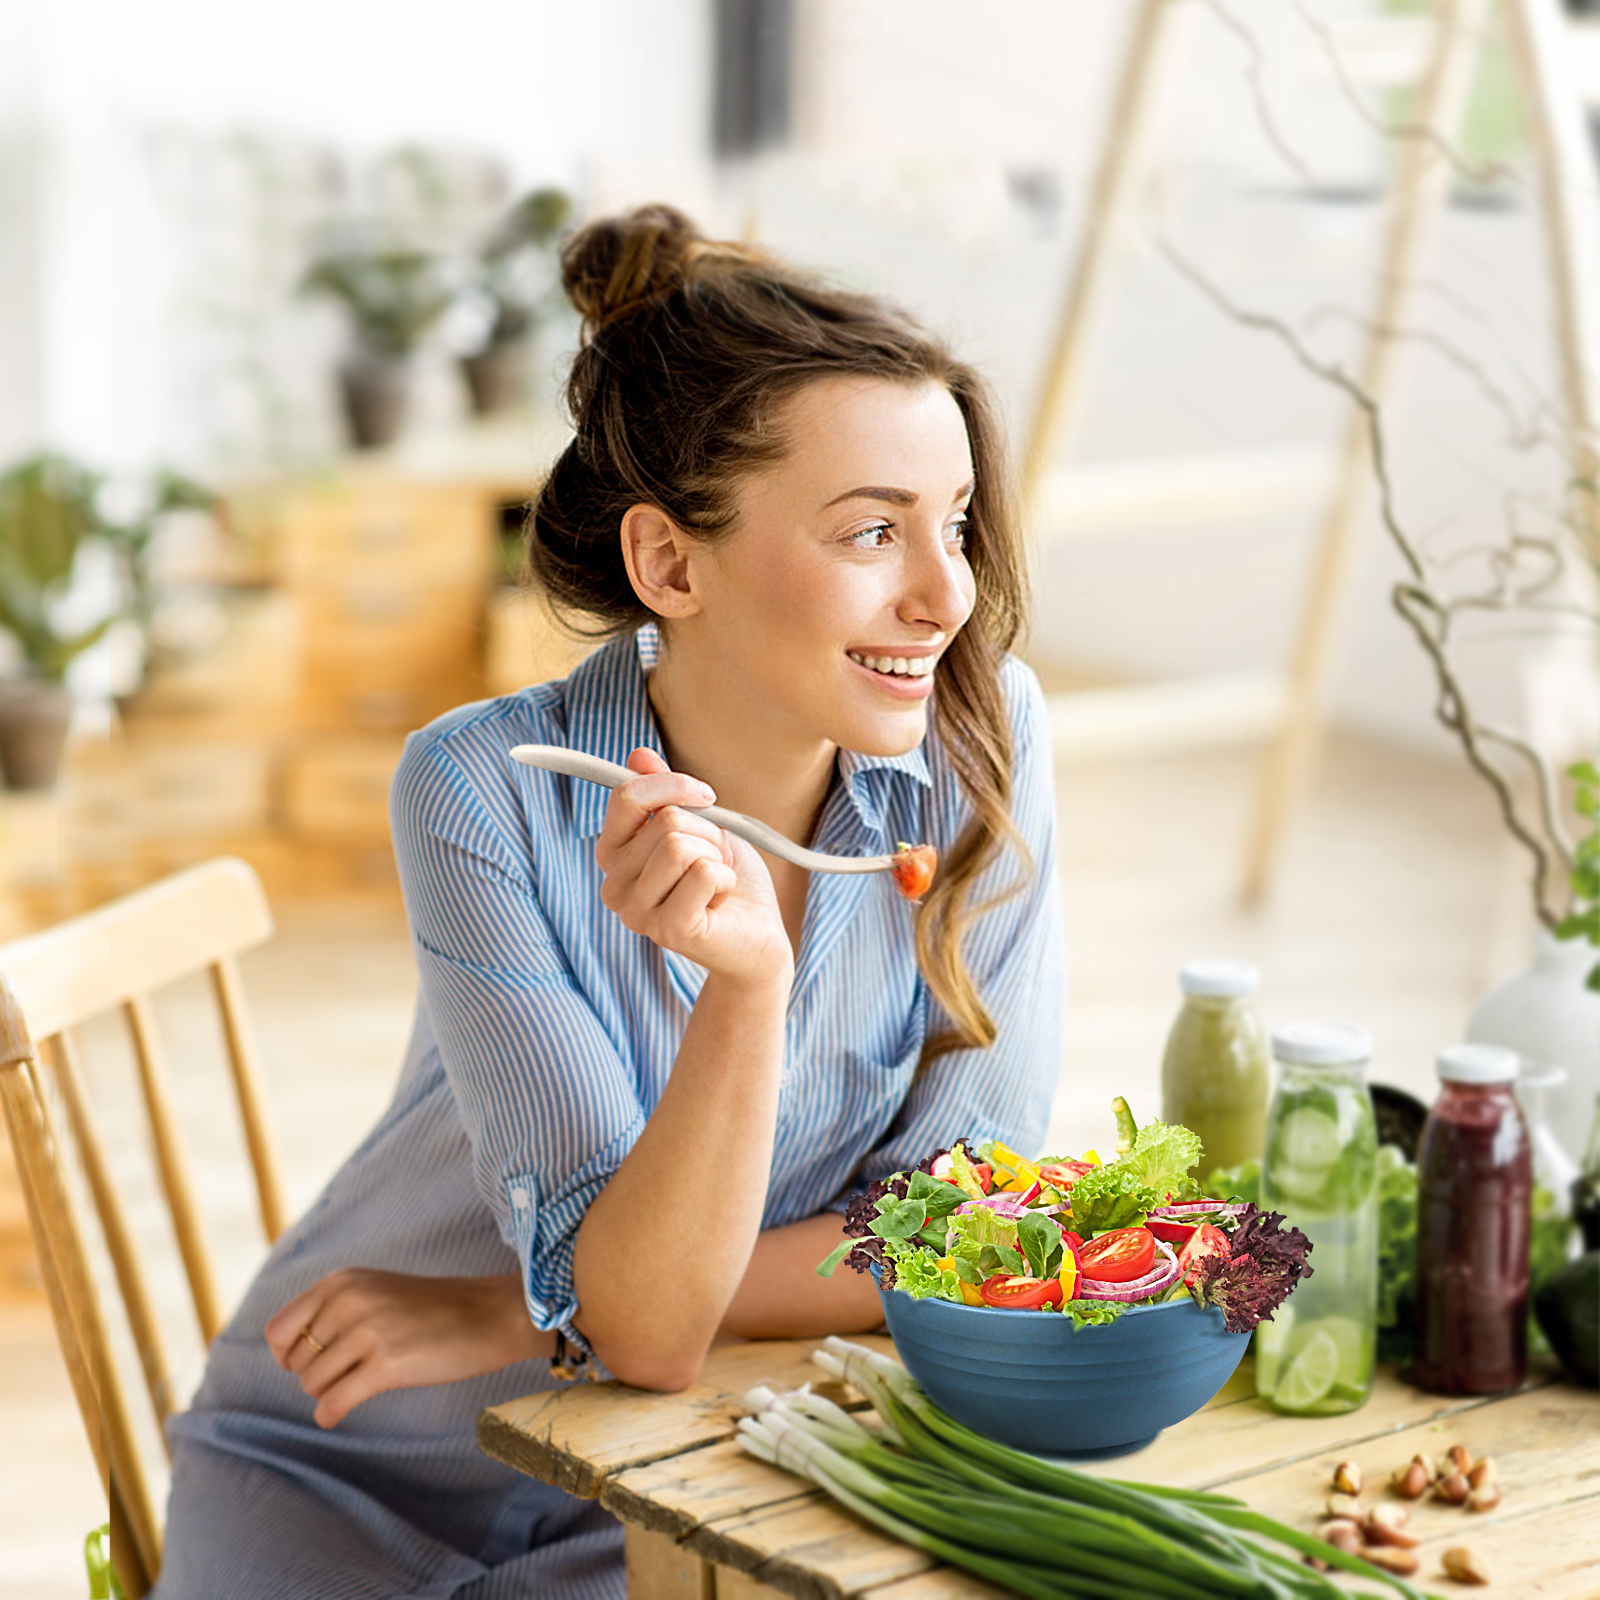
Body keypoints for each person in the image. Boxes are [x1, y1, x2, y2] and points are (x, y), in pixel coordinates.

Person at [153, 204, 1064, 1600]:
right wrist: (745, 1003)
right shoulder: (482, 788)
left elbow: (956, 1233)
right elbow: (642, 1322)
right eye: (873, 532)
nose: (946, 594)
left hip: (679, 1459)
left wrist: (518, 1308)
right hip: (351, 1454)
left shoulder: (984, 743)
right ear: (670, 566)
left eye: (952, 523)